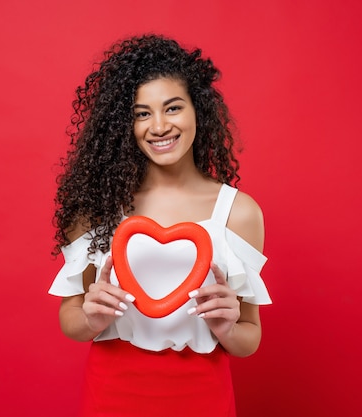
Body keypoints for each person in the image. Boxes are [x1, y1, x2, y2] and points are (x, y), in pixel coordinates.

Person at [48, 34, 271, 416]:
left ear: (197, 110)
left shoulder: (239, 212)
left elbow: (249, 337)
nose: (159, 126)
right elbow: (71, 318)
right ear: (123, 124)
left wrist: (228, 327)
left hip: (203, 395)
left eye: (172, 108)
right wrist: (90, 317)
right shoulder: (97, 206)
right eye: (141, 113)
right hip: (113, 393)